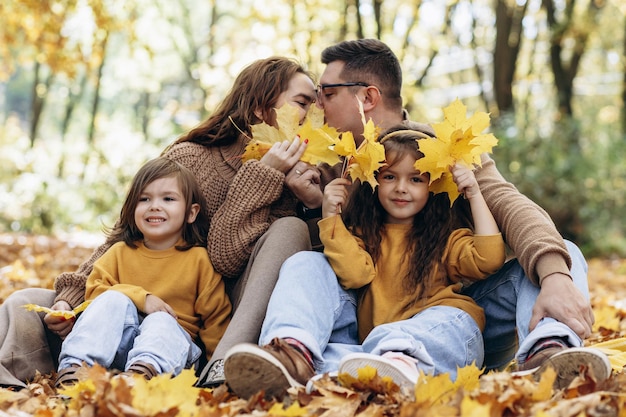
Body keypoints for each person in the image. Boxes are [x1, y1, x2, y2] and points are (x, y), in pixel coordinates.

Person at [221, 38, 610, 395]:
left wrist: (555, 275)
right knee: (306, 263)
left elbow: (511, 206)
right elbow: (334, 266)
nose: (318, 105)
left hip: (450, 312)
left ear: (367, 97)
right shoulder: (328, 163)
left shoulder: (442, 150)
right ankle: (296, 357)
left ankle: (549, 352)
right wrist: (313, 206)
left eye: (327, 92)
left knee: (563, 253)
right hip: (368, 314)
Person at [0, 56, 321, 389]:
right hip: (119, 315)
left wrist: (308, 202)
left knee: (291, 229)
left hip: (197, 326)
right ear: (260, 107)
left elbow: (224, 258)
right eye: (303, 103)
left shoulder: (300, 177)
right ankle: (29, 385)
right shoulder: (192, 158)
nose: (314, 114)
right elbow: (122, 239)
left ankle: (218, 371)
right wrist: (70, 295)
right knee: (22, 304)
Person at [223, 126, 507, 399]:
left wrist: (474, 193)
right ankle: (293, 354)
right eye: (390, 177)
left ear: (432, 185)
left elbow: (488, 259)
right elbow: (355, 274)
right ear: (375, 180)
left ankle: (401, 364)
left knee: (449, 320)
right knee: (306, 262)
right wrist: (330, 215)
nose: (401, 188)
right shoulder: (365, 234)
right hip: (370, 353)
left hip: (434, 343)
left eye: (416, 179)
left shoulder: (446, 237)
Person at [54, 157, 231, 386]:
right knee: (111, 300)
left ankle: (140, 379)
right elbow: (94, 295)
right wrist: (142, 299)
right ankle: (75, 370)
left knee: (161, 321)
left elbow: (216, 319)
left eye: (168, 199)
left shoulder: (199, 260)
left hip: (171, 352)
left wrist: (217, 371)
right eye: (144, 199)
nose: (154, 206)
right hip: (118, 347)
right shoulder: (119, 252)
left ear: (191, 213)